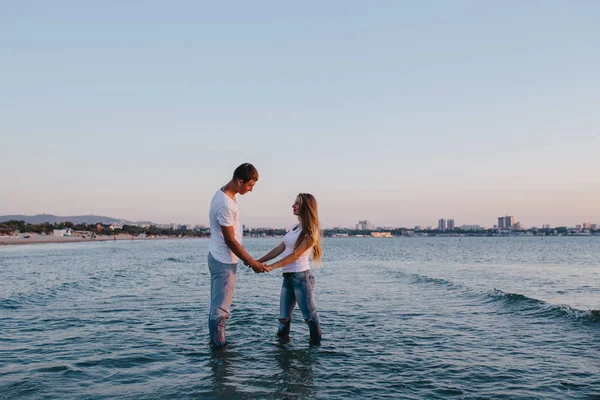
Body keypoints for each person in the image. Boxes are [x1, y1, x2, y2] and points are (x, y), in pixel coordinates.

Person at [208, 163, 268, 348]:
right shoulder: (226, 203)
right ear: (240, 181)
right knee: (220, 310)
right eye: (250, 185)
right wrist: (251, 262)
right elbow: (230, 240)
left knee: (217, 307)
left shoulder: (225, 195)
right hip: (223, 261)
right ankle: (220, 352)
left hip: (219, 257)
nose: (251, 190)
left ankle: (216, 345)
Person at [257, 193, 322, 345]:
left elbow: (295, 255)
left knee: (310, 318)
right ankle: (282, 356)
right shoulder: (294, 227)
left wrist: (272, 266)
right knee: (283, 319)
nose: (293, 206)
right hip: (288, 278)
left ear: (307, 207)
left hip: (301, 278)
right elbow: (280, 248)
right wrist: (258, 261)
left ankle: (314, 354)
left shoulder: (311, 230)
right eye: (294, 203)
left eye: (297, 203)